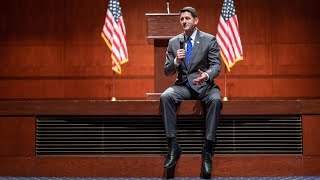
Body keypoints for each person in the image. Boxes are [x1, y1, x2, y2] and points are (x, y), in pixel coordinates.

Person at [160, 6, 223, 178]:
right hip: (184, 86)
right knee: (166, 96)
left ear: (196, 20)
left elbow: (217, 65)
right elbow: (167, 71)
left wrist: (207, 75)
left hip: (205, 86)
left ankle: (208, 149)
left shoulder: (209, 40)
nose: (184, 22)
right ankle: (173, 146)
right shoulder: (174, 42)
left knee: (216, 100)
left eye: (187, 18)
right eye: (182, 19)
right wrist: (176, 61)